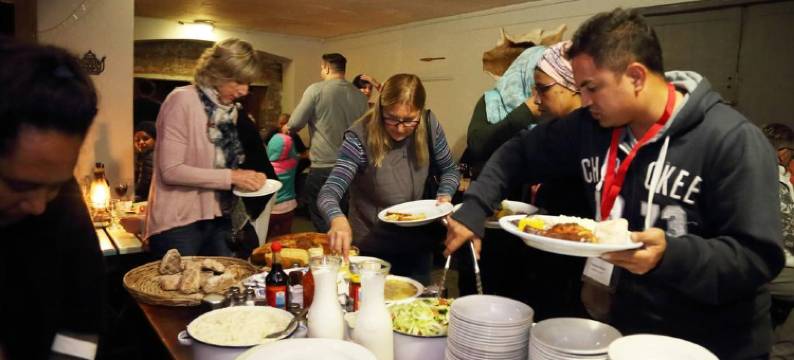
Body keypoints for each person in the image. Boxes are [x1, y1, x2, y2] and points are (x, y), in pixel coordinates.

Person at [444, 8, 784, 359]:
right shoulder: (590, 128)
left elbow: (757, 257)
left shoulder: (731, 139)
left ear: (636, 75)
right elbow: (517, 153)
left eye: (592, 88)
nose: (584, 100)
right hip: (627, 333)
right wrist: (474, 207)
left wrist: (672, 254)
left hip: (714, 343)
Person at [0, 38, 105, 360]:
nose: (38, 206)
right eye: (19, 185)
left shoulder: (63, 202)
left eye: (53, 187)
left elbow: (85, 310)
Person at [318, 74, 460, 284]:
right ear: (380, 109)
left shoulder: (429, 125)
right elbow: (329, 192)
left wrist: (445, 195)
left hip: (416, 243)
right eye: (392, 118)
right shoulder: (359, 137)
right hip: (372, 244)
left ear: (420, 112)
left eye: (409, 120)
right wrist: (337, 219)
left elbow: (450, 170)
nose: (400, 127)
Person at [144, 38, 268, 257]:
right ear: (216, 74)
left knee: (223, 288)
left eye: (248, 83)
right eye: (238, 81)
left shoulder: (229, 111)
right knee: (180, 291)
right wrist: (232, 177)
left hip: (220, 220)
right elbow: (171, 171)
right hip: (178, 225)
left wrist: (247, 179)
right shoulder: (181, 100)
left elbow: (222, 169)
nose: (244, 90)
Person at [282, 53, 368, 232]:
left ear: (327, 68)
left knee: (323, 220)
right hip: (352, 168)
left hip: (324, 167)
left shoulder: (316, 90)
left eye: (322, 68)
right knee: (345, 220)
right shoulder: (360, 96)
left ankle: (329, 256)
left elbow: (295, 123)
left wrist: (286, 128)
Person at [762, 123, 794, 360]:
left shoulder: (747, 168)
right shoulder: (776, 180)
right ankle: (780, 354)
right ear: (783, 153)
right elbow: (789, 234)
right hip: (771, 262)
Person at [266, 131, 299, 238]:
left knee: (265, 237)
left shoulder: (266, 168)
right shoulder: (293, 163)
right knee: (285, 237)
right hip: (289, 207)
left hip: (271, 209)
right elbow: (295, 155)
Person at [133, 121, 156, 202]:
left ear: (156, 140)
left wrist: (133, 195)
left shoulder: (150, 157)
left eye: (145, 138)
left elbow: (144, 185)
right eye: (137, 140)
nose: (141, 142)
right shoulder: (143, 156)